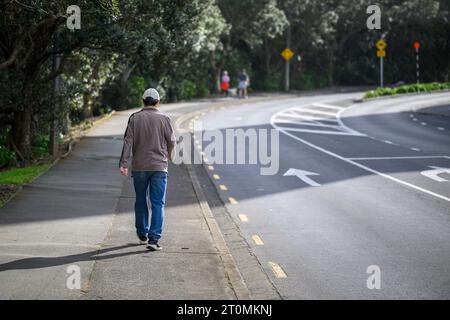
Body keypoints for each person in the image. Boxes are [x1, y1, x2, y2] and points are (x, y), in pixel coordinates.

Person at [119, 88, 176, 251]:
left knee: (140, 199)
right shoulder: (164, 119)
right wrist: (170, 157)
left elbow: (127, 142)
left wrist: (123, 163)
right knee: (158, 203)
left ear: (143, 101)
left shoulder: (134, 118)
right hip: (159, 166)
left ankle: (142, 233)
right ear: (158, 102)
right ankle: (153, 239)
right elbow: (172, 142)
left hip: (140, 167)